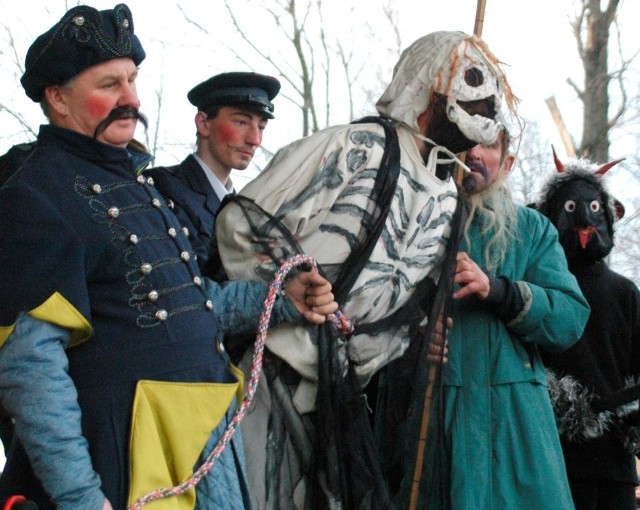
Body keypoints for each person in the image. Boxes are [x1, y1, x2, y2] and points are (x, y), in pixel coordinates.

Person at [0, 4, 337, 509]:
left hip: (203, 445)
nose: (131, 99)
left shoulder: (135, 184)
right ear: (58, 98)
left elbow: (192, 304)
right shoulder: (35, 193)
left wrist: (281, 299)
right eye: (109, 85)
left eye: (132, 80)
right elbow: (32, 368)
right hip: (129, 463)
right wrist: (80, 498)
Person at [214, 30, 520, 509]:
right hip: (270, 373)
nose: (485, 106)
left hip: (343, 402)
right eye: (472, 82)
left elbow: (412, 304)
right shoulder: (357, 147)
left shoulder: (449, 200)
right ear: (426, 85)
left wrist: (413, 335)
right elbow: (242, 221)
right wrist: (288, 281)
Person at [391, 125, 590, 509]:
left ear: (507, 162)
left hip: (517, 430)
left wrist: (499, 291)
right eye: (466, 141)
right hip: (434, 423)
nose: (475, 153)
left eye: (488, 144)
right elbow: (376, 311)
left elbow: (570, 318)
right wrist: (413, 336)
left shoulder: (531, 230)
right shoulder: (414, 225)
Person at [536, 151, 640, 510]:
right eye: (569, 209)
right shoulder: (541, 293)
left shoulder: (625, 293)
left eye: (593, 208)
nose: (583, 218)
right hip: (555, 460)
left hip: (612, 459)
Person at [146, 72, 281, 276]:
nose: (255, 140)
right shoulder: (160, 188)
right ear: (203, 123)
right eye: (241, 122)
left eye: (261, 127)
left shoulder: (247, 211)